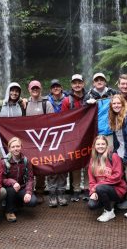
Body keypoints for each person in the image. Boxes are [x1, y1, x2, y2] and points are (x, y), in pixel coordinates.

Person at [61, 74, 89, 202]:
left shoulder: (89, 97)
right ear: (71, 85)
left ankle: (88, 188)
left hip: (88, 133)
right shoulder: (67, 101)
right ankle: (76, 189)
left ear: (83, 83)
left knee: (88, 162)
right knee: (76, 162)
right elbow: (63, 119)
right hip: (73, 136)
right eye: (74, 83)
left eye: (79, 82)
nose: (77, 85)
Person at [25, 80, 54, 204]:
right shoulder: (24, 104)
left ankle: (40, 191)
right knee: (29, 165)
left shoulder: (46, 103)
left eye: (37, 88)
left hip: (43, 140)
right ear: (29, 90)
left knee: (41, 164)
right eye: (33, 88)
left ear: (40, 89)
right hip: (28, 139)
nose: (35, 90)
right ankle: (28, 191)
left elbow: (53, 120)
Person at [87, 135, 127, 222]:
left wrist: (97, 187)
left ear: (106, 145)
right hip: (100, 189)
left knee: (100, 188)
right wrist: (92, 192)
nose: (100, 146)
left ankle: (109, 211)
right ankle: (109, 203)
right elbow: (91, 180)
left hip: (117, 190)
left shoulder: (113, 156)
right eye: (98, 144)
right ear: (94, 146)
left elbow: (117, 176)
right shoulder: (92, 160)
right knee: (91, 205)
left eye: (103, 144)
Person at [2, 137, 37, 222]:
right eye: (13, 147)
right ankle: (9, 211)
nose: (15, 149)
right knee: (11, 190)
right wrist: (13, 182)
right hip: (9, 188)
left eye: (17, 146)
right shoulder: (4, 162)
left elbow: (30, 178)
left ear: (21, 147)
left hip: (22, 187)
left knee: (32, 201)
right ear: (9, 148)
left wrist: (28, 192)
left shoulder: (26, 161)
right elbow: (2, 179)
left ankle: (18, 203)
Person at [46, 79, 68, 207]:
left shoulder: (68, 100)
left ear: (61, 87)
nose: (56, 88)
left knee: (63, 165)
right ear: (50, 89)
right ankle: (52, 194)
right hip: (50, 138)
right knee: (52, 164)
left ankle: (61, 193)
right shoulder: (46, 101)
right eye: (53, 87)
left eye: (58, 86)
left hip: (65, 136)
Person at [0, 82, 25, 158]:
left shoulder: (21, 106)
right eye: (12, 90)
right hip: (0, 137)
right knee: (1, 158)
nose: (14, 93)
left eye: (17, 91)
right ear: (8, 91)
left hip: (15, 137)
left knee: (15, 158)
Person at [84, 72, 118, 146]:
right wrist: (87, 104)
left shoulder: (113, 93)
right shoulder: (88, 96)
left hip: (112, 132)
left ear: (105, 82)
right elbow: (84, 114)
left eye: (101, 80)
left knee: (110, 154)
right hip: (96, 133)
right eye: (97, 80)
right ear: (93, 83)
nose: (99, 82)